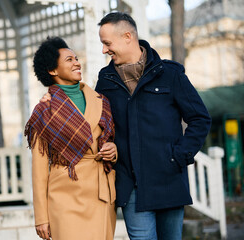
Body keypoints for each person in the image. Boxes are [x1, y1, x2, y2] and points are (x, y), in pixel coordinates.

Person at [94, 12, 212, 240]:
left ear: (127, 36)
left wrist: (179, 155)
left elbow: (200, 118)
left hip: (168, 179)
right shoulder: (105, 80)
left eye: (107, 43)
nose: (104, 50)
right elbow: (97, 122)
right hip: (131, 185)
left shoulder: (170, 74)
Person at [24, 36, 117, 240]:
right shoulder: (44, 111)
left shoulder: (100, 100)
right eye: (69, 60)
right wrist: (41, 217)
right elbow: (39, 169)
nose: (77, 62)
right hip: (64, 198)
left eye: (76, 58)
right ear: (52, 70)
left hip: (100, 194)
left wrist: (113, 150)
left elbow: (110, 140)